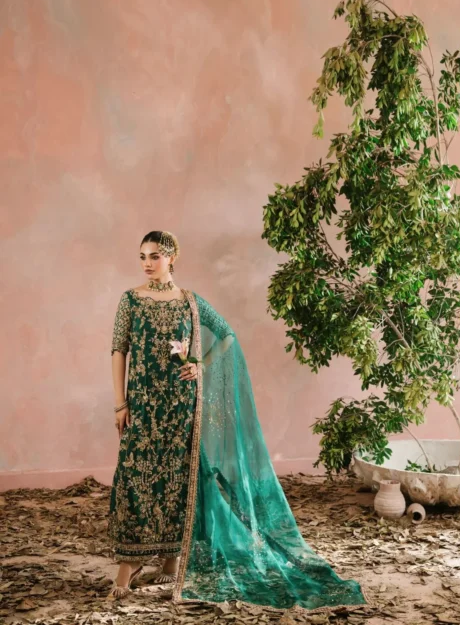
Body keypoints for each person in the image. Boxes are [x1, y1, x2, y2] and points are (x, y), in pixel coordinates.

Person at [107, 230, 368, 614]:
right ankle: (128, 565)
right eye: (142, 256)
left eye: (155, 256)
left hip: (182, 407)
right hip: (143, 406)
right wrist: (120, 403)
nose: (147, 263)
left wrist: (200, 365)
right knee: (137, 476)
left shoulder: (190, 302)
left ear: (172, 257)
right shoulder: (130, 300)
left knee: (179, 479)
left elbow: (227, 336)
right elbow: (119, 350)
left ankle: (171, 560)